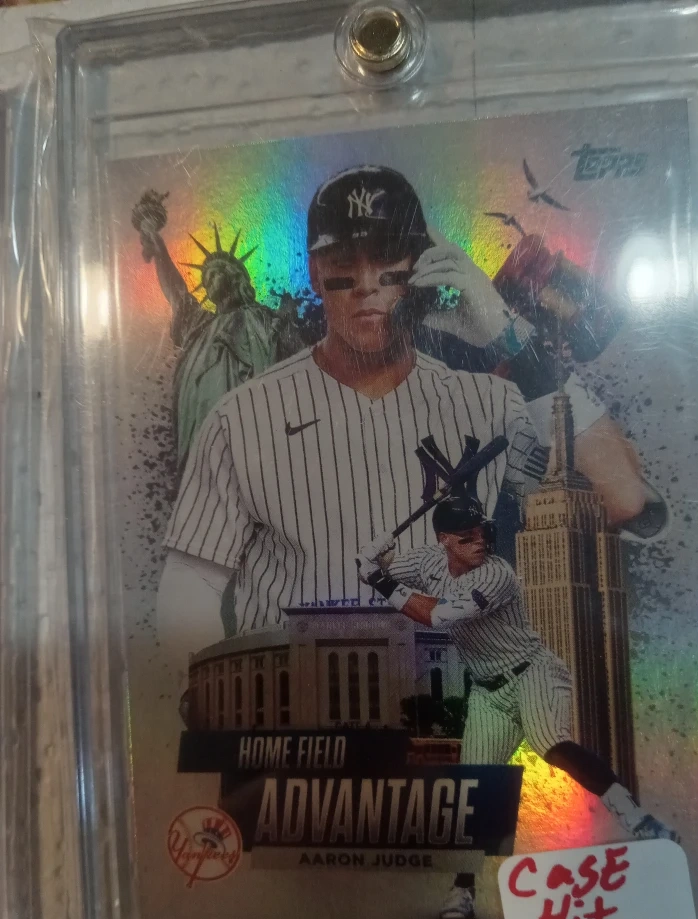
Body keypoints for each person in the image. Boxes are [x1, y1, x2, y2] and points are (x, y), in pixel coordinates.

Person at [156, 165, 651, 681]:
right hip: (299, 709)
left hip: (452, 713)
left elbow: (619, 496)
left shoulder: (487, 400)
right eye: (345, 262)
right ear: (317, 272)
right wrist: (216, 705)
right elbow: (192, 583)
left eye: (387, 260)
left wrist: (506, 332)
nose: (367, 284)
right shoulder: (241, 416)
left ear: (419, 268)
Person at [356, 496, 679, 919]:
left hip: (532, 672)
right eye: (467, 537)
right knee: (474, 788)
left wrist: (378, 579)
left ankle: (637, 818)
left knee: (550, 744)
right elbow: (387, 575)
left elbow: (437, 616)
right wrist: (375, 562)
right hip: (487, 691)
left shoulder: (496, 574)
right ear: (444, 540)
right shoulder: (428, 560)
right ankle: (463, 890)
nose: (480, 542)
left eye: (482, 533)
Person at [132, 190, 301, 469]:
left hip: (252, 433)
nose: (210, 281)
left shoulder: (261, 318)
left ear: (237, 279)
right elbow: (177, 292)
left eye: (216, 273)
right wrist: (156, 240)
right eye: (206, 277)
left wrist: (289, 319)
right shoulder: (200, 324)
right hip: (202, 437)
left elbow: (296, 360)